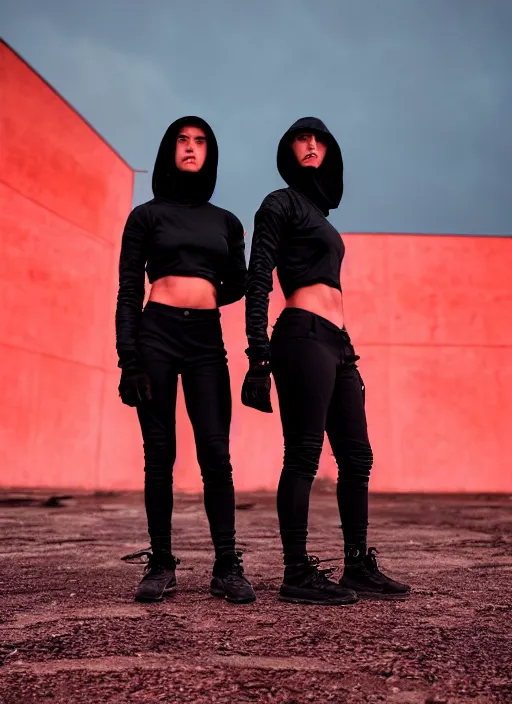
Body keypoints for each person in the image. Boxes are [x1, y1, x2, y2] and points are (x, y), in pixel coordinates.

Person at [242, 117, 410, 605]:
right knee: (304, 454)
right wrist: (259, 354)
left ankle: (356, 564)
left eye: (318, 138)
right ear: (288, 150)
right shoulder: (280, 203)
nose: (311, 144)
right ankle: (296, 573)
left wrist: (345, 342)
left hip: (338, 343)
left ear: (330, 150)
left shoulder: (322, 217)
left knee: (357, 457)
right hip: (301, 336)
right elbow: (258, 279)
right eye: (301, 137)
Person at [116, 116, 256, 604]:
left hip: (205, 339)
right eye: (183, 140)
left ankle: (226, 565)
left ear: (210, 153)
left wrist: (207, 289)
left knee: (216, 454)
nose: (191, 148)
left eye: (200, 142)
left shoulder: (226, 222)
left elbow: (239, 281)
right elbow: (130, 288)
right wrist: (127, 358)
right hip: (155, 335)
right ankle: (161, 563)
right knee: (160, 455)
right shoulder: (145, 216)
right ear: (169, 149)